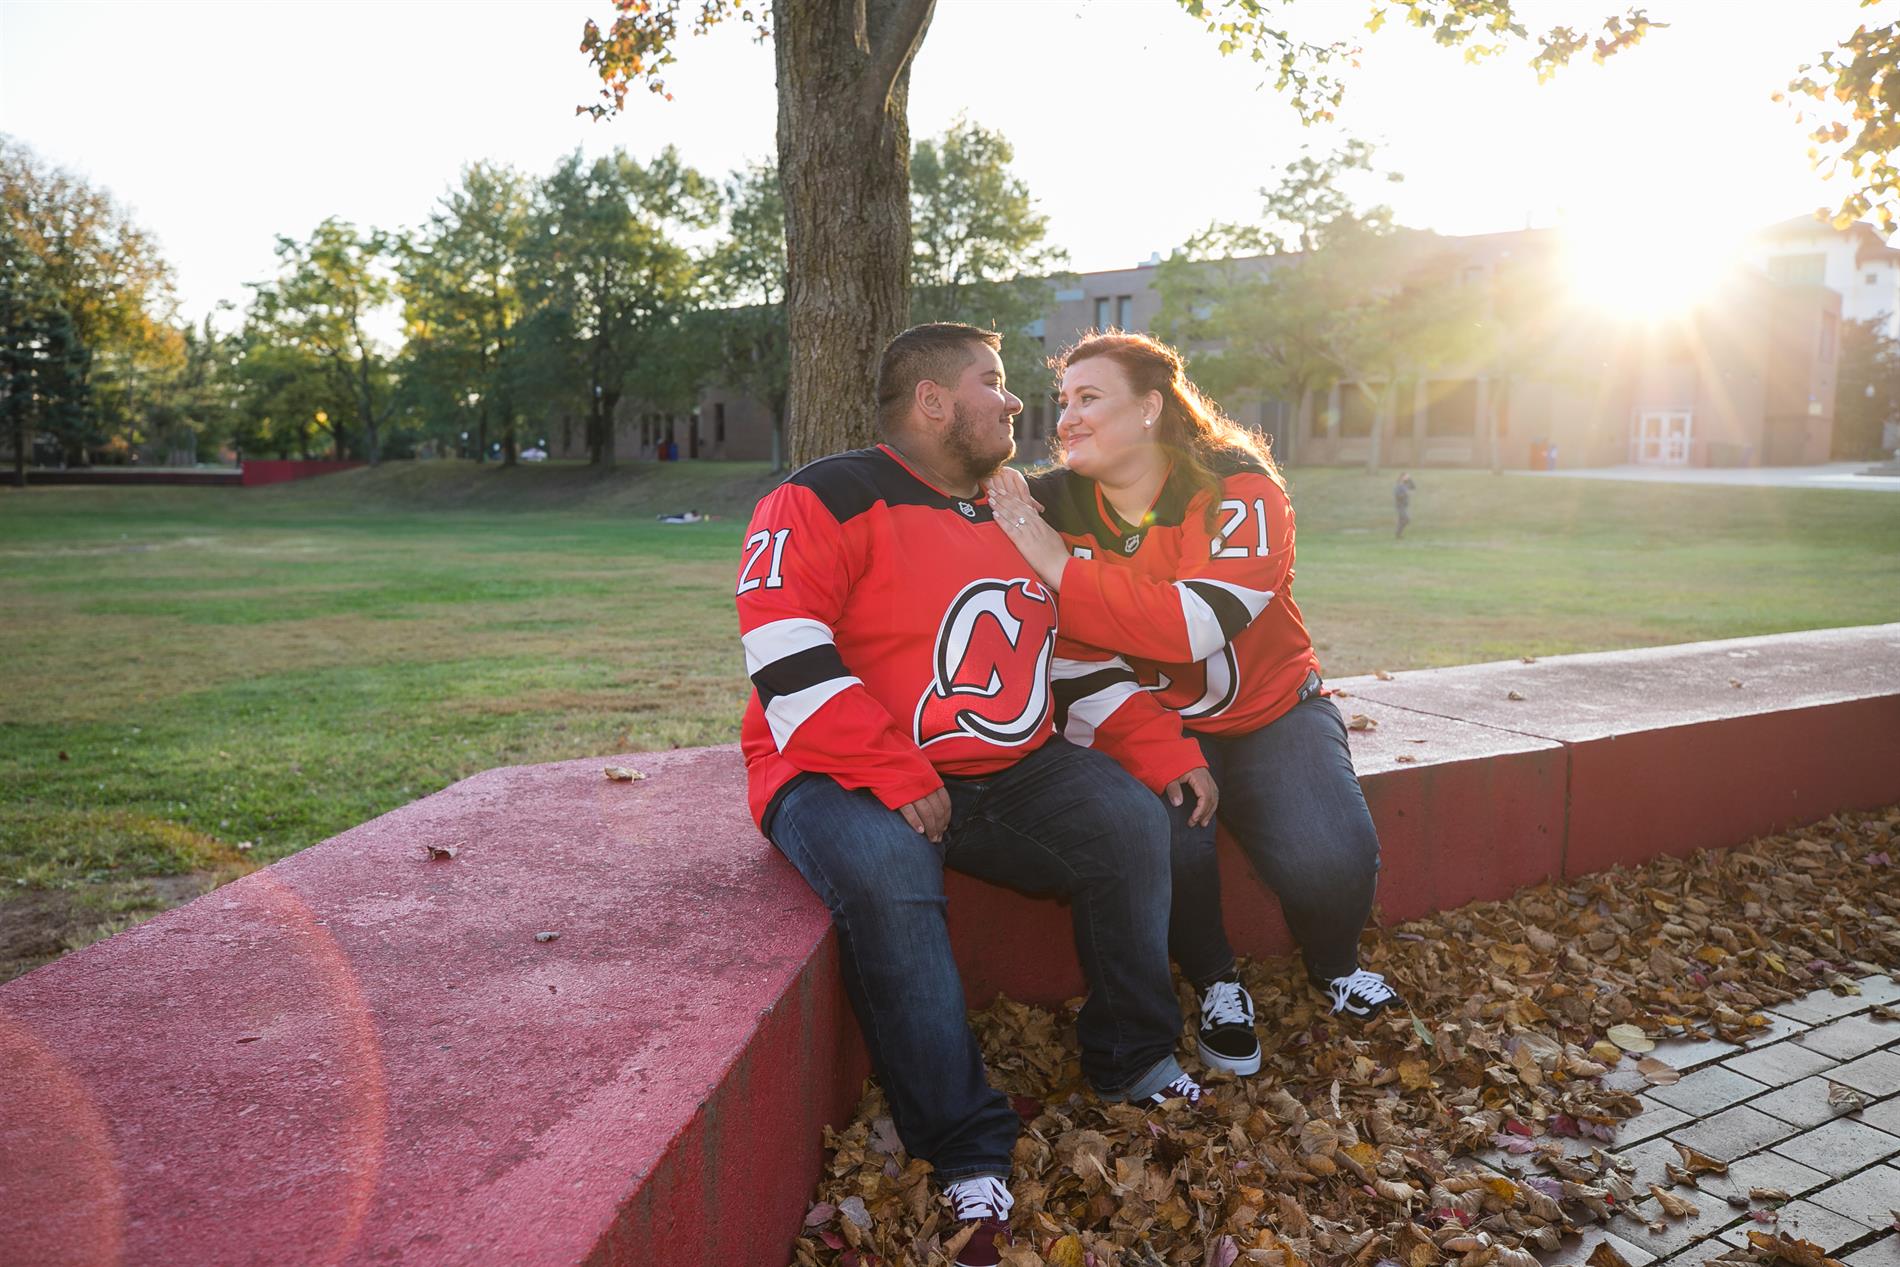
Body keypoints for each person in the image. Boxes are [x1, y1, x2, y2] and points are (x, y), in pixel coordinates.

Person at [736, 323, 1207, 1267]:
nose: (1015, 399)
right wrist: (896, 769)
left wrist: (1159, 749)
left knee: (1125, 819)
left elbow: (1069, 648)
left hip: (1006, 766)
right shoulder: (823, 495)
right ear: (934, 402)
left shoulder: (1017, 506)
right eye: (992, 380)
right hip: (836, 768)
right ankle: (961, 1142)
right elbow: (784, 652)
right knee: (888, 869)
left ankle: (1132, 1056)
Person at [985, 330, 1405, 1083]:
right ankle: (1216, 982)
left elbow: (1195, 624)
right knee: (1168, 836)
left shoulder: (1239, 487)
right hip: (1155, 718)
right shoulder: (1051, 504)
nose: (1065, 418)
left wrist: (1059, 566)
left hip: (1273, 709)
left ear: (1151, 407)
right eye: (1063, 401)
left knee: (1331, 858)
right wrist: (1162, 750)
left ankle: (1335, 963)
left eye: (1089, 398)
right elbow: (1073, 663)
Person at [1394, 471, 1416, 539]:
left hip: (1405, 505)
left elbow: (1413, 487)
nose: (1407, 478)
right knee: (1406, 519)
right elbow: (1398, 496)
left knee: (1402, 520)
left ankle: (1398, 534)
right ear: (1402, 477)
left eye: (1408, 477)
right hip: (1400, 506)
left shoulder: (1406, 485)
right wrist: (1405, 494)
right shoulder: (1398, 486)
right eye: (1406, 476)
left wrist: (1410, 479)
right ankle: (1398, 532)